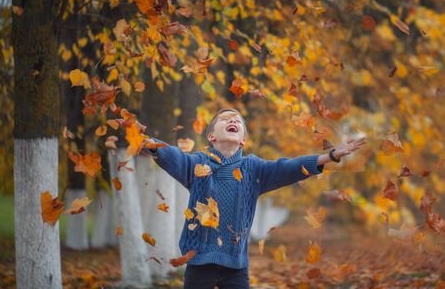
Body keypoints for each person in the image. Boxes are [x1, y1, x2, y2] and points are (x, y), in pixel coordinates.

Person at [143, 108, 366, 289]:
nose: (233, 120)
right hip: (199, 261)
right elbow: (173, 155)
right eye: (225, 119)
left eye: (238, 121)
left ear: (243, 140)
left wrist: (330, 155)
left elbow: (288, 167)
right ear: (211, 136)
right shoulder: (198, 163)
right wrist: (148, 142)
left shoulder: (253, 169)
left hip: (236, 265)